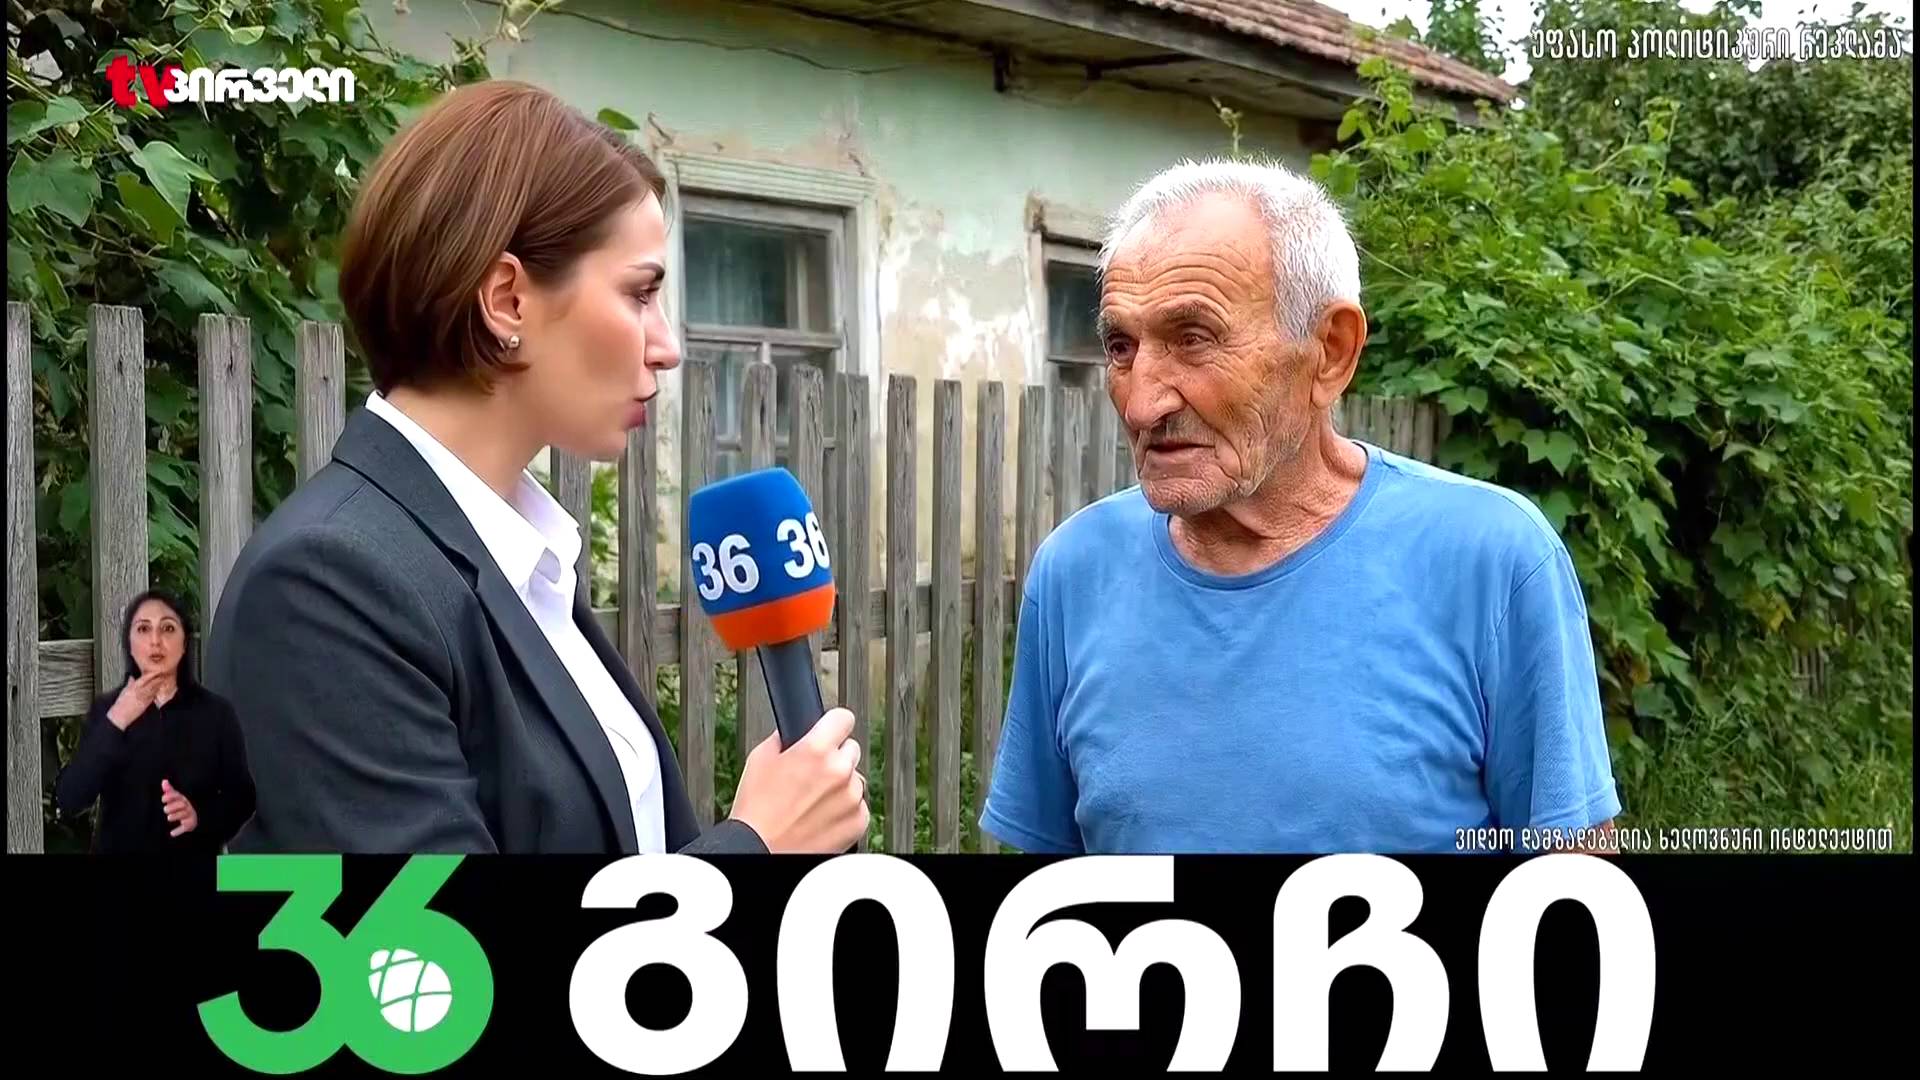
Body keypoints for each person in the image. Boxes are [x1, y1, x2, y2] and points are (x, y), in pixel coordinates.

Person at [204, 80, 868, 855]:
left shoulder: (521, 563)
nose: (667, 347)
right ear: (507, 300)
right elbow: (421, 933)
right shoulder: (326, 585)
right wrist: (758, 845)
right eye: (640, 294)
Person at [979, 159, 1620, 855]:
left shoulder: (1493, 562)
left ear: (1330, 353)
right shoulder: (1075, 572)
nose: (1141, 403)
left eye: (1194, 339)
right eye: (1121, 346)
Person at [56, 589, 256, 853]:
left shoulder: (217, 714)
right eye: (143, 629)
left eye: (168, 628)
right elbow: (71, 798)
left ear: (184, 642)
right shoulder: (108, 710)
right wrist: (119, 718)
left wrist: (199, 816)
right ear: (130, 644)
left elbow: (242, 798)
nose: (155, 641)